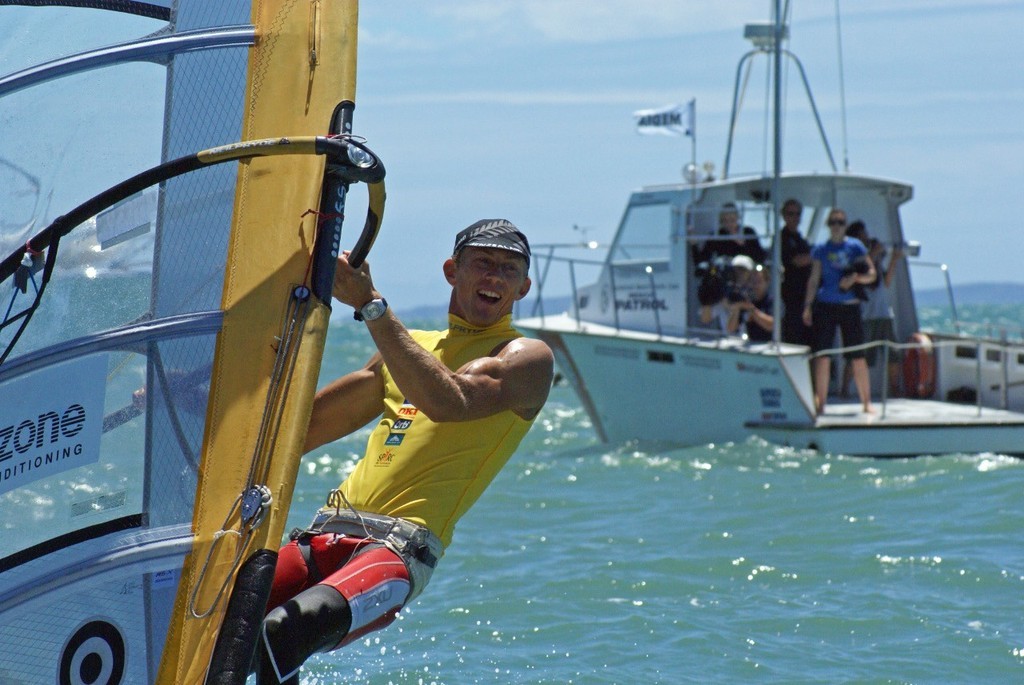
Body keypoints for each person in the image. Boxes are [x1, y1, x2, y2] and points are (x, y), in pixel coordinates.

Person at [253, 219, 554, 684]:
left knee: (283, 631)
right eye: (483, 263)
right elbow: (298, 430)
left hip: (396, 552)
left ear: (524, 287)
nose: (495, 276)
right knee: (215, 624)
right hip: (323, 534)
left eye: (508, 269)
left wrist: (372, 306)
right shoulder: (407, 349)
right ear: (452, 270)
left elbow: (448, 401)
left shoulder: (528, 358)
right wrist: (189, 398)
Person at [801, 208, 876, 415]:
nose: (836, 226)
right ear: (828, 225)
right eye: (833, 222)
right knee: (823, 356)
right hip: (826, 305)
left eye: (840, 222)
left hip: (850, 305)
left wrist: (855, 279)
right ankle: (821, 402)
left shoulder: (855, 247)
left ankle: (866, 402)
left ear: (845, 224)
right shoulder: (821, 249)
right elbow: (814, 279)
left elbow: (871, 274)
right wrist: (808, 305)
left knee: (857, 356)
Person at [841, 221, 903, 396]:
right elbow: (868, 281)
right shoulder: (856, 258)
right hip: (866, 315)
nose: (866, 237)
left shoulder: (872, 258)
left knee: (893, 353)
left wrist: (893, 260)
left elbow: (885, 282)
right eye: (862, 235)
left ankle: (895, 388)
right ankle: (844, 388)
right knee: (858, 355)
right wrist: (873, 254)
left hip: (883, 313)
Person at [779, 198, 813, 345]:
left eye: (798, 214)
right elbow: (796, 260)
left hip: (807, 297)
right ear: (784, 215)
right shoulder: (781, 238)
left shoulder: (801, 239)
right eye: (790, 213)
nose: (795, 217)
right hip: (792, 298)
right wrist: (820, 254)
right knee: (795, 339)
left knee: (810, 339)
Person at [693, 202, 767, 266]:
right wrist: (694, 244)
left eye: (732, 220)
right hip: (725, 274)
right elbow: (701, 261)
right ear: (721, 221)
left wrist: (744, 245)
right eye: (725, 220)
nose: (729, 224)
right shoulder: (717, 235)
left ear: (737, 218)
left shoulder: (748, 232)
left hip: (747, 274)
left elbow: (760, 258)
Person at [727, 262, 774, 343]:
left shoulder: (773, 301)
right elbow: (731, 328)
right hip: (751, 346)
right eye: (753, 281)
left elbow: (772, 325)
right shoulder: (746, 300)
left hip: (771, 346)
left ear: (766, 282)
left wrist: (751, 309)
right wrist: (737, 308)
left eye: (759, 281)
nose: (755, 285)